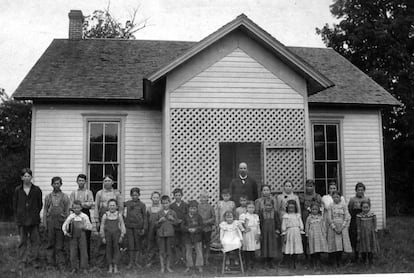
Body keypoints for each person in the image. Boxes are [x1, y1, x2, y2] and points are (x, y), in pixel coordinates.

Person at [12, 168, 43, 269]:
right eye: (24, 176)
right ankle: (22, 261)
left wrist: (34, 213)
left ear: (31, 177)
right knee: (22, 242)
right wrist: (19, 215)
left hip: (34, 220)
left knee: (35, 241)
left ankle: (34, 261)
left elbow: (40, 205)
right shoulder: (18, 190)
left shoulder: (37, 190)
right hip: (22, 220)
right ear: (21, 178)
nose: (27, 178)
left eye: (28, 176)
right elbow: (15, 205)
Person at [94, 175, 123, 266]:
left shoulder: (116, 193)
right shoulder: (99, 193)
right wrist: (96, 220)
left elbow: (121, 207)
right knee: (102, 241)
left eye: (109, 181)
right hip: (103, 218)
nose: (107, 182)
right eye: (105, 181)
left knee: (114, 242)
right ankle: (100, 263)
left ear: (113, 182)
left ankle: (113, 263)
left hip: (114, 220)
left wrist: (119, 220)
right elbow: (96, 207)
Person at [43, 176, 70, 270]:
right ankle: (50, 264)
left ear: (61, 184)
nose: (56, 185)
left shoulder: (65, 197)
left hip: (61, 222)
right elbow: (45, 210)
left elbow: (67, 211)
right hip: (50, 221)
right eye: (54, 183)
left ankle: (61, 264)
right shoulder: (48, 197)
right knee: (50, 243)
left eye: (58, 183)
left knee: (60, 244)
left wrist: (66, 225)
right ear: (52, 185)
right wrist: (44, 223)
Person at [62, 200, 93, 274]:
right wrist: (66, 232)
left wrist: (85, 227)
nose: (76, 209)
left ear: (81, 208)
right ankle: (74, 268)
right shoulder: (71, 216)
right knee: (73, 252)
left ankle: (84, 268)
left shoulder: (84, 216)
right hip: (73, 236)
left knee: (83, 252)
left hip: (82, 236)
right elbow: (64, 225)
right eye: (75, 208)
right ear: (72, 208)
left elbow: (90, 227)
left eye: (78, 208)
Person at [69, 174, 94, 261]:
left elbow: (90, 204)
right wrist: (82, 204)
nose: (81, 182)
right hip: (75, 216)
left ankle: (86, 259)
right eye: (79, 180)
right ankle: (76, 259)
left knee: (86, 237)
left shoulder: (89, 192)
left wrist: (80, 205)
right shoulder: (74, 193)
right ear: (77, 181)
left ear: (85, 182)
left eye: (82, 180)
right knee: (76, 237)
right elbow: (71, 205)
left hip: (85, 214)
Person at [100, 199, 126, 273]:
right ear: (108, 207)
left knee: (116, 250)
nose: (112, 207)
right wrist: (103, 236)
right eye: (110, 205)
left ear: (116, 206)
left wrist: (122, 235)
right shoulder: (105, 215)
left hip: (116, 236)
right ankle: (110, 267)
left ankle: (115, 266)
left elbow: (122, 226)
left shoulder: (118, 215)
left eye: (113, 205)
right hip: (108, 236)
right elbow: (102, 226)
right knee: (108, 250)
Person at [326, 191, 352, 266]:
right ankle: (334, 260)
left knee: (341, 244)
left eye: (337, 197)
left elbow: (347, 216)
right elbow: (329, 217)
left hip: (342, 227)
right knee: (334, 244)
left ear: (340, 197)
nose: (335, 198)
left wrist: (342, 227)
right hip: (333, 227)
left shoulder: (343, 205)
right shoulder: (330, 205)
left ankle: (340, 260)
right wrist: (334, 227)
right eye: (334, 197)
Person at [124, 187, 147, 269]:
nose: (134, 197)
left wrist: (144, 227)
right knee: (131, 244)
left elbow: (145, 217)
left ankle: (137, 262)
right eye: (133, 195)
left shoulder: (142, 205)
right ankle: (131, 262)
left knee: (138, 244)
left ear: (139, 195)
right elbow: (120, 206)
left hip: (138, 227)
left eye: (136, 195)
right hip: (129, 227)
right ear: (130, 195)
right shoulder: (127, 203)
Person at [348, 182, 371, 263]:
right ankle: (356, 255)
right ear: (356, 190)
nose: (360, 191)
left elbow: (368, 209)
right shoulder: (352, 200)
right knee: (354, 237)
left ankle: (365, 256)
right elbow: (350, 209)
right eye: (358, 190)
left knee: (364, 237)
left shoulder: (366, 199)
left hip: (364, 220)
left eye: (362, 190)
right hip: (355, 219)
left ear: (364, 190)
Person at [156, 195, 179, 273]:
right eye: (163, 203)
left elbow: (177, 223)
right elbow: (155, 224)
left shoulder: (173, 212)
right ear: (161, 204)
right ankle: (162, 267)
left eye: (166, 203)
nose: (165, 205)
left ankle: (168, 266)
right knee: (162, 251)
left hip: (170, 234)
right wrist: (159, 221)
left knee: (169, 251)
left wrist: (173, 219)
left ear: (169, 203)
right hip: (161, 234)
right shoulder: (159, 213)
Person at [299, 179, 322, 258]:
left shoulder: (317, 196)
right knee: (306, 236)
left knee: (315, 236)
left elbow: (320, 208)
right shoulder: (302, 196)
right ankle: (306, 254)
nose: (309, 188)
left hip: (315, 218)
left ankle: (316, 254)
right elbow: (300, 208)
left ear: (314, 187)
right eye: (308, 186)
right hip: (305, 217)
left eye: (311, 186)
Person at [182, 200, 204, 273]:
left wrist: (196, 229)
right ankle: (189, 266)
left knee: (199, 251)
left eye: (194, 208)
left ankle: (199, 265)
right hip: (188, 237)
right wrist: (188, 229)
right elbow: (182, 226)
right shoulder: (185, 217)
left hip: (197, 237)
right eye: (191, 208)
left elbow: (201, 226)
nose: (192, 210)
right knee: (188, 251)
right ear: (188, 208)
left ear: (197, 209)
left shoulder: (199, 217)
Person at [281, 200, 304, 269]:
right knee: (289, 246)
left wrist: (301, 230)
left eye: (292, 208)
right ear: (287, 208)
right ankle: (289, 262)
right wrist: (284, 233)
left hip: (296, 232)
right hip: (289, 232)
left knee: (296, 246)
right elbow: (283, 225)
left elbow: (301, 224)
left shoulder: (297, 215)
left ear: (295, 208)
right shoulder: (286, 216)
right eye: (290, 207)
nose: (291, 209)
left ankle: (294, 261)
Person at [259, 198, 280, 269]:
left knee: (272, 246)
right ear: (264, 205)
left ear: (273, 206)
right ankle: (265, 262)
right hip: (264, 232)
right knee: (265, 246)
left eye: (270, 205)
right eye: (266, 205)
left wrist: (277, 230)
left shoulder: (275, 212)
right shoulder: (261, 212)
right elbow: (260, 223)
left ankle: (271, 262)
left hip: (272, 232)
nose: (268, 207)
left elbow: (278, 222)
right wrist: (260, 232)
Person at [305, 203, 328, 268]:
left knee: (318, 248)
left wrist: (324, 233)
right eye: (313, 209)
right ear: (310, 210)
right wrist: (307, 234)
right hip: (312, 235)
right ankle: (313, 262)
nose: (314, 211)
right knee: (313, 248)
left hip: (319, 235)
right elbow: (307, 226)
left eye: (316, 209)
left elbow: (323, 226)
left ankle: (319, 261)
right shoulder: (309, 218)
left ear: (318, 210)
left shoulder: (320, 217)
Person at [356, 200, 379, 266]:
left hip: (370, 233)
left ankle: (370, 261)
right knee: (363, 247)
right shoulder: (359, 216)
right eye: (364, 207)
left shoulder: (372, 215)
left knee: (370, 247)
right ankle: (363, 261)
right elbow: (358, 225)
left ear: (369, 207)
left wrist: (375, 230)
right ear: (361, 208)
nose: (365, 209)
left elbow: (374, 224)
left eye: (367, 207)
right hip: (363, 234)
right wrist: (358, 234)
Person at [239, 201, 261, 270]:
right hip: (248, 233)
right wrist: (243, 229)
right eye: (249, 207)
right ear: (246, 208)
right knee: (248, 247)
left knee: (253, 248)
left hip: (254, 232)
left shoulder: (256, 216)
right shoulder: (244, 215)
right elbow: (240, 224)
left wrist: (258, 233)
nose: (251, 209)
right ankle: (247, 262)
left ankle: (252, 262)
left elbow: (258, 226)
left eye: (252, 207)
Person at [169, 188, 188, 265]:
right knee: (176, 243)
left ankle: (183, 258)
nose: (178, 197)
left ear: (182, 195)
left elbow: (187, 216)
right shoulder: (172, 206)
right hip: (175, 227)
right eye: (176, 195)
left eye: (179, 195)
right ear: (174, 196)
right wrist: (175, 221)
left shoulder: (185, 205)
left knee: (183, 243)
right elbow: (170, 215)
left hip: (183, 227)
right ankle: (177, 258)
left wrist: (183, 221)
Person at [198, 190, 215, 265]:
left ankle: (207, 259)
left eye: (205, 197)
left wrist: (207, 221)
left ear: (208, 198)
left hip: (208, 228)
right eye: (202, 197)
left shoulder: (210, 207)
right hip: (199, 229)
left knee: (207, 244)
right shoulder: (198, 207)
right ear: (200, 198)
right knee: (200, 244)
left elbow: (213, 218)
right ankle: (200, 259)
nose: (203, 199)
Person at [145, 191, 162, 267]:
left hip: (160, 229)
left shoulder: (162, 208)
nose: (155, 199)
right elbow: (147, 220)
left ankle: (161, 261)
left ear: (159, 198)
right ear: (151, 198)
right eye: (154, 197)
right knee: (150, 245)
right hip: (151, 229)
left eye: (157, 197)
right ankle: (150, 261)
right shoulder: (149, 208)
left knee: (160, 244)